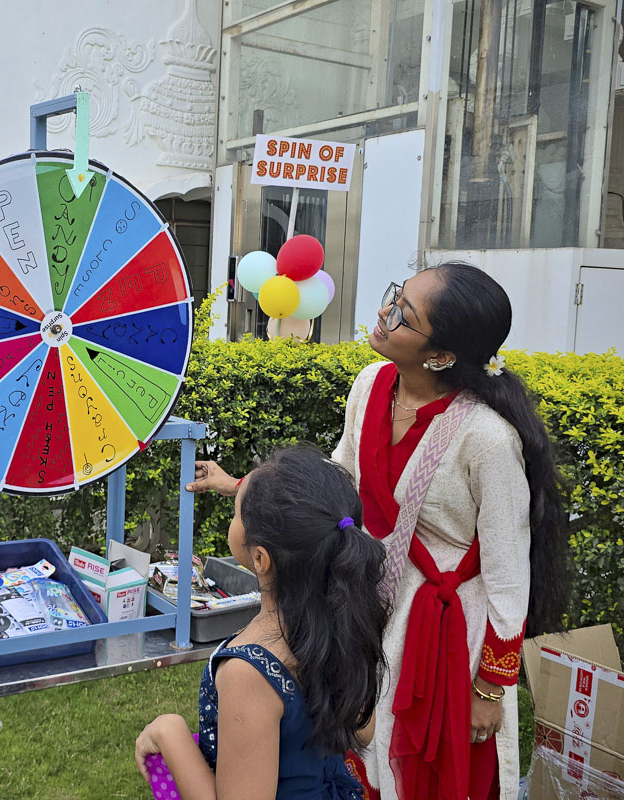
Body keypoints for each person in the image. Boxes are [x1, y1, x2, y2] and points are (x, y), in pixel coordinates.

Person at [187, 263, 568, 800]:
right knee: (367, 742)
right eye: (396, 296)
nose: (385, 312)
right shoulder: (371, 385)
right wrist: (246, 491)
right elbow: (339, 480)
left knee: (435, 769)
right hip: (371, 597)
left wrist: (490, 687)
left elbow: (509, 575)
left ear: (441, 355)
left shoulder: (487, 438)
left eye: (404, 314)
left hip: (446, 633)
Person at [136, 445, 388, 800]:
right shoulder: (344, 624)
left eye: (236, 513)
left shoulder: (249, 673)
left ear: (259, 558)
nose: (234, 516)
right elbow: (363, 730)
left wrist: (170, 733)